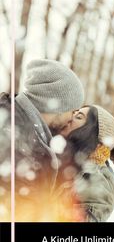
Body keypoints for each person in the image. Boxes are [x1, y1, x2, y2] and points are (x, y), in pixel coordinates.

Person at [0, 59, 84, 221]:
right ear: (58, 106)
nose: (72, 118)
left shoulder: (22, 130)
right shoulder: (15, 143)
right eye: (73, 110)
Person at [54, 105, 114, 222]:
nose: (69, 118)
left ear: (93, 137)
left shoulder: (96, 182)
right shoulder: (66, 162)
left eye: (78, 117)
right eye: (74, 113)